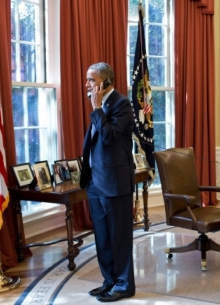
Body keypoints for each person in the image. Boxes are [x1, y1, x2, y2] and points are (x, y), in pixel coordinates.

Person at [79, 62, 136, 302]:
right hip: (95, 182)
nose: (87, 85)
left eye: (91, 80)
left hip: (115, 183)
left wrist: (97, 107)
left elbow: (110, 137)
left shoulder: (122, 104)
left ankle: (124, 284)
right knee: (102, 237)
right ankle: (110, 280)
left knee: (119, 236)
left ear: (104, 82)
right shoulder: (100, 106)